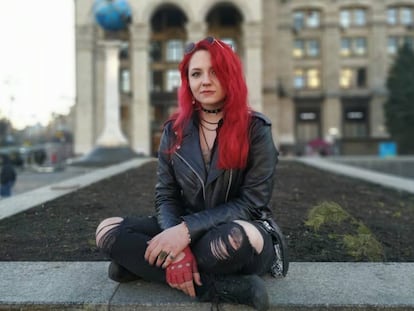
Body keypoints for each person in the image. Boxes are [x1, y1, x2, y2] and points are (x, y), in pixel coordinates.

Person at [95, 37, 288, 311]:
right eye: (196, 74)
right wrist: (178, 246)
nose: (205, 81)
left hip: (241, 227)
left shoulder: (256, 128)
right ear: (187, 81)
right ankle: (228, 288)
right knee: (107, 231)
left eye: (215, 72)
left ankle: (140, 266)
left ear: (230, 76)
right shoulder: (174, 130)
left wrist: (185, 233)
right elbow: (166, 195)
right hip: (182, 224)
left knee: (230, 242)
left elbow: (251, 204)